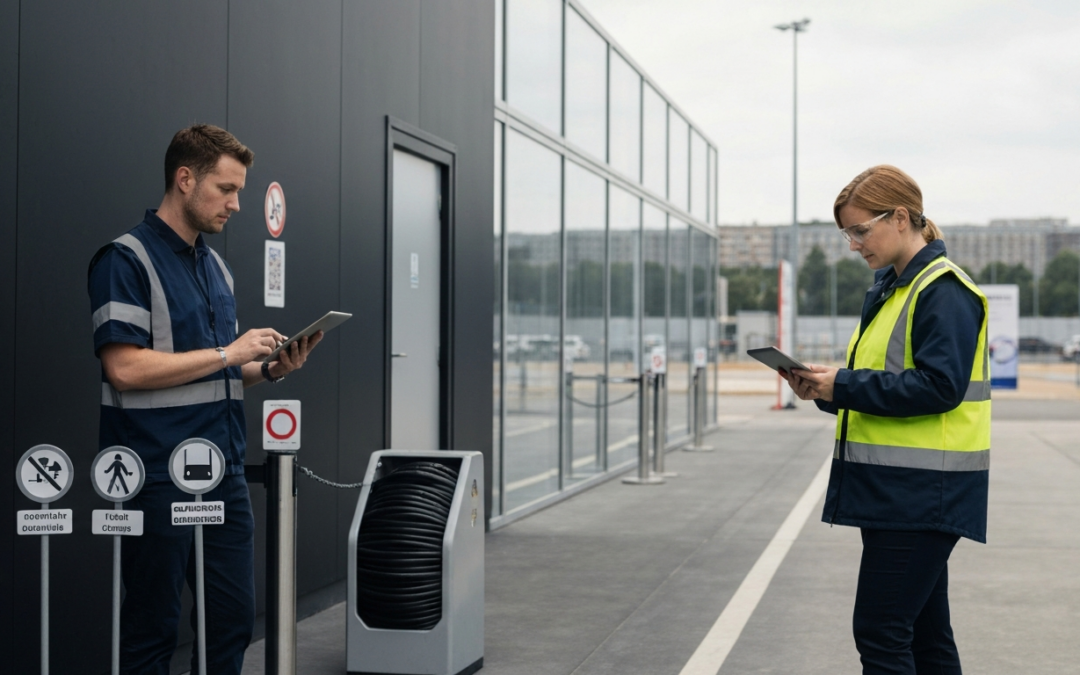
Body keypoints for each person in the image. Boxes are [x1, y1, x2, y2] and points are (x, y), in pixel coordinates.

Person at [88, 124, 324, 674]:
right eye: (226, 189)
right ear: (185, 178)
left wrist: (268, 369)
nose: (237, 204)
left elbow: (212, 374)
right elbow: (123, 368)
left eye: (240, 190)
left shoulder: (215, 267)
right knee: (153, 627)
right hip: (154, 476)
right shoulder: (125, 261)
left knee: (232, 622)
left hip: (223, 472)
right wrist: (227, 352)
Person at [781, 165, 989, 675]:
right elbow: (885, 384)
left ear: (900, 217)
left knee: (880, 632)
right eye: (846, 233)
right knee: (924, 637)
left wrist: (843, 385)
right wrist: (825, 389)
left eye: (859, 229)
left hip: (922, 494)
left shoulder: (943, 291)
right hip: (897, 492)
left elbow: (940, 388)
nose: (853, 244)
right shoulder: (892, 289)